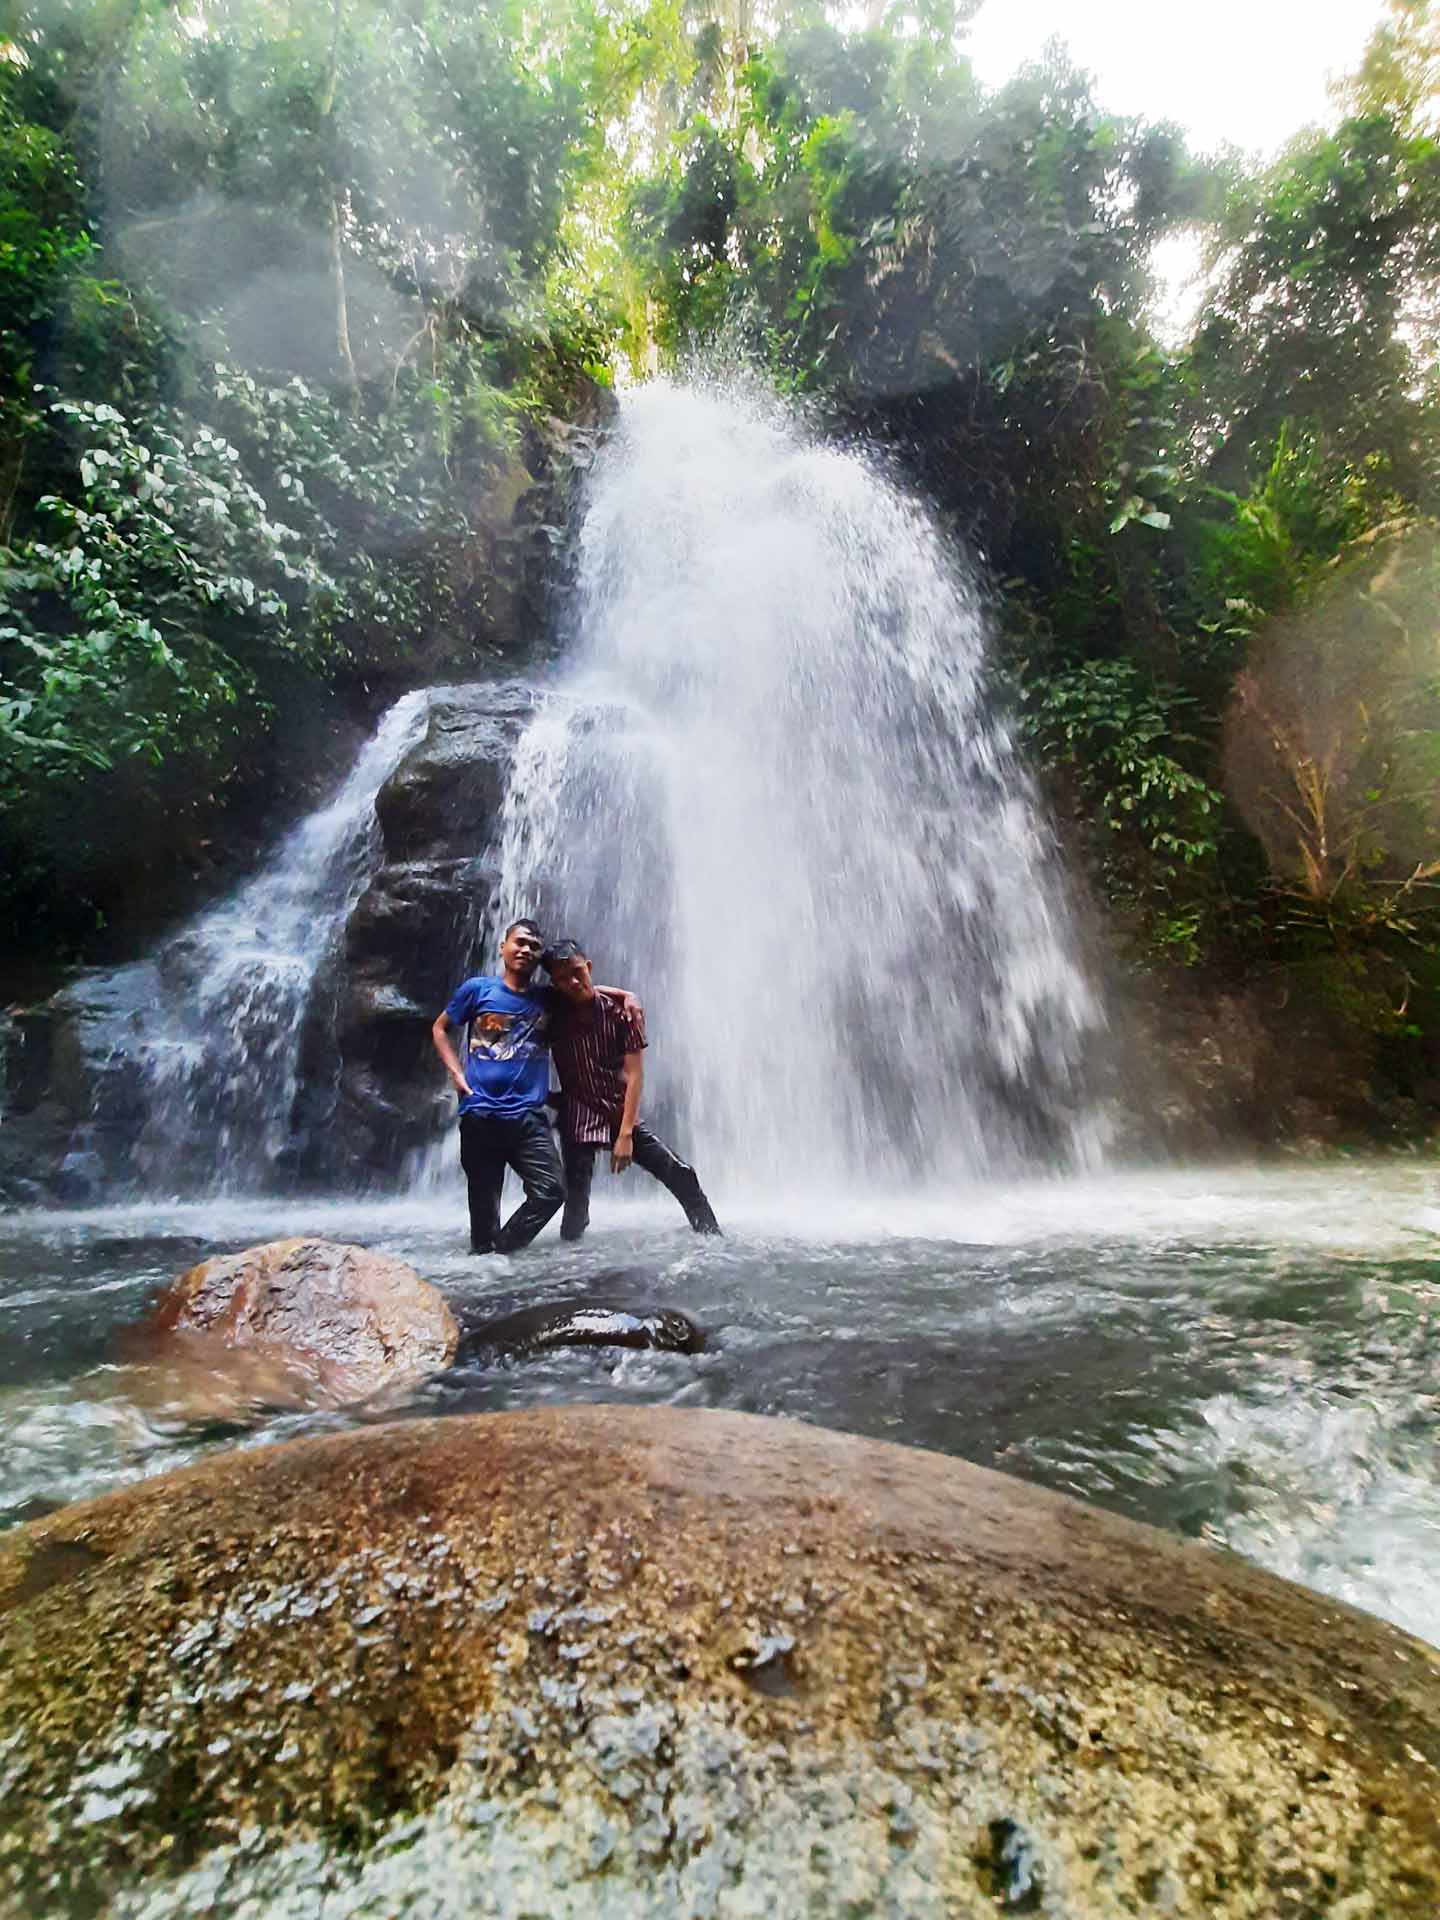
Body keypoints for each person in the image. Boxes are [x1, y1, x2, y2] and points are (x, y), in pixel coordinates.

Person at [541, 937, 721, 1242]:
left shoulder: (622, 1014)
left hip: (616, 1111)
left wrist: (625, 1134)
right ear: (554, 983)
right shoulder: (554, 1010)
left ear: (589, 967)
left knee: (680, 1173)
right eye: (562, 979)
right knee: (576, 1201)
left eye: (577, 972)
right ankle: (570, 1260)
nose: (572, 982)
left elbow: (635, 1075)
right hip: (577, 1111)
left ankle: (712, 1239)